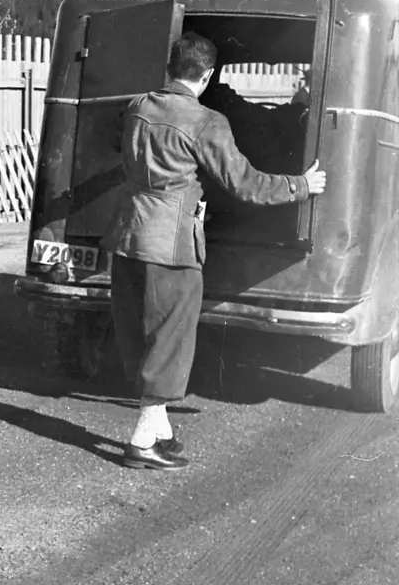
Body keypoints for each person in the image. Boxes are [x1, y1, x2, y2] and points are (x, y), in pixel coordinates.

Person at [101, 30, 327, 470]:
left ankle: (160, 430)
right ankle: (142, 440)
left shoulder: (137, 107)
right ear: (206, 75)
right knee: (170, 337)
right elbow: (245, 183)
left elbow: (118, 147)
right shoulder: (206, 122)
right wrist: (301, 186)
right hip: (172, 244)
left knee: (142, 333)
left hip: (128, 235)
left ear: (171, 67)